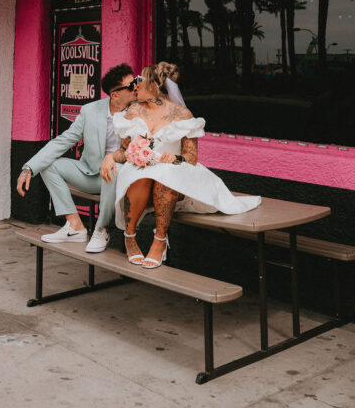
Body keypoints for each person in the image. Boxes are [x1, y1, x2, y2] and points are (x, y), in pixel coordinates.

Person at [100, 62, 261, 268]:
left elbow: (190, 157)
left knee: (166, 176)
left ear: (154, 85)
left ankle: (159, 240)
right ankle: (130, 236)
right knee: (138, 175)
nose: (135, 86)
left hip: (172, 173)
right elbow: (124, 150)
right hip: (141, 174)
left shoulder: (183, 115)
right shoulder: (133, 111)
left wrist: (174, 158)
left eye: (139, 81)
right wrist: (111, 157)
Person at [16, 63, 140, 252]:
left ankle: (102, 228)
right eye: (132, 85)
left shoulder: (141, 111)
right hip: (92, 174)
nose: (137, 87)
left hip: (123, 176)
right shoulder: (90, 111)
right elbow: (64, 140)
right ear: (115, 95)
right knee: (49, 166)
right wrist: (29, 168)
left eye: (137, 82)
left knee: (114, 169)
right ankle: (75, 226)